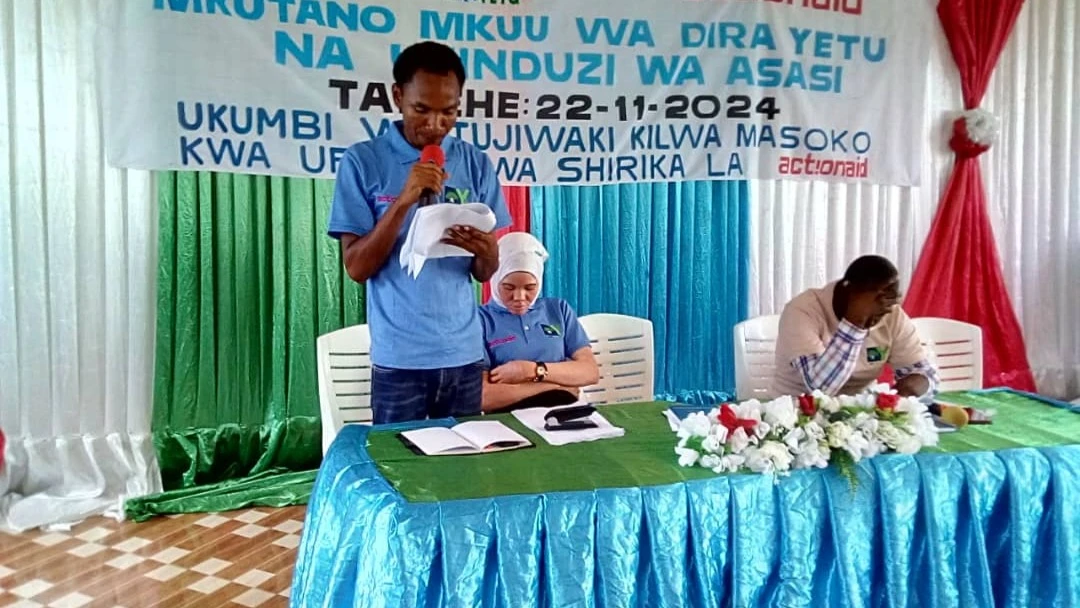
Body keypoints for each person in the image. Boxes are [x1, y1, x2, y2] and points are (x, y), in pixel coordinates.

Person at [327, 41, 511, 423]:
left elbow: (484, 271)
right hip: (400, 362)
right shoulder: (362, 161)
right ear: (398, 96)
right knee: (402, 475)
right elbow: (357, 268)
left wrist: (484, 250)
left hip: (464, 356)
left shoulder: (475, 163)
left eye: (449, 112)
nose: (435, 125)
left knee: (463, 473)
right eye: (421, 110)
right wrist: (405, 199)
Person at [772, 255, 939, 398]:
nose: (885, 309)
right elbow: (820, 389)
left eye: (890, 300)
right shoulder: (802, 311)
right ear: (848, 292)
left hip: (862, 414)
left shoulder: (891, 314)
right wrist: (855, 324)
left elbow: (926, 374)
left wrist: (911, 387)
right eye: (875, 301)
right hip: (794, 413)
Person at [479, 233, 599, 412]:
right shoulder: (480, 320)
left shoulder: (558, 310)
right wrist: (555, 385)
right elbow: (484, 397)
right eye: (509, 287)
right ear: (495, 281)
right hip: (508, 419)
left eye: (529, 288)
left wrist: (530, 371)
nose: (519, 297)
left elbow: (589, 372)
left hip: (564, 413)